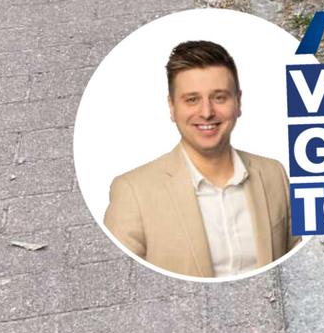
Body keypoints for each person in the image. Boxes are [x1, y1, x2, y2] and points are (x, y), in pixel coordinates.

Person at [104, 40, 296, 278]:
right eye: (192, 99)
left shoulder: (273, 173)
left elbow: (297, 261)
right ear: (172, 107)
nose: (206, 112)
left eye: (219, 97)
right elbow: (119, 279)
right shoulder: (133, 191)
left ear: (238, 102)